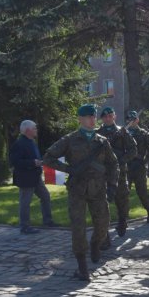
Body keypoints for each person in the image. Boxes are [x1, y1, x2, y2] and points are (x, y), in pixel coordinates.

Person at [43, 104, 119, 280]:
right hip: (77, 189)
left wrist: (113, 184)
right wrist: (69, 169)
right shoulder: (70, 140)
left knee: (103, 223)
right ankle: (82, 267)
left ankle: (95, 244)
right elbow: (48, 157)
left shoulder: (102, 141)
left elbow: (113, 163)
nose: (92, 119)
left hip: (98, 189)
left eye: (93, 116)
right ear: (80, 119)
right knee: (78, 228)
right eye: (88, 117)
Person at [97, 106, 137, 238]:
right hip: (103, 173)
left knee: (122, 200)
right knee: (102, 201)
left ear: (114, 116)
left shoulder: (123, 132)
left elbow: (133, 150)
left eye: (110, 116)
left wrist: (120, 160)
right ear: (102, 118)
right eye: (105, 116)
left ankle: (122, 220)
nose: (108, 118)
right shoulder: (97, 133)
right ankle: (104, 233)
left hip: (120, 172)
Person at [9, 120, 56, 234]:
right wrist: (32, 162)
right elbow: (14, 161)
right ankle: (24, 226)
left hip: (36, 177)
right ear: (27, 130)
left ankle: (48, 221)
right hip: (26, 178)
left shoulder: (31, 141)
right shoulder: (19, 143)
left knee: (45, 196)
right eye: (34, 128)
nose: (36, 130)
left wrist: (39, 162)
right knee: (25, 202)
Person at [126, 111, 149, 223]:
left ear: (137, 120)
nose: (131, 121)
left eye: (133, 119)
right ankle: (124, 216)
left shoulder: (144, 134)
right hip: (126, 166)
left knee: (142, 192)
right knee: (125, 192)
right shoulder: (123, 133)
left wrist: (144, 161)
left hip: (139, 166)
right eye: (129, 119)